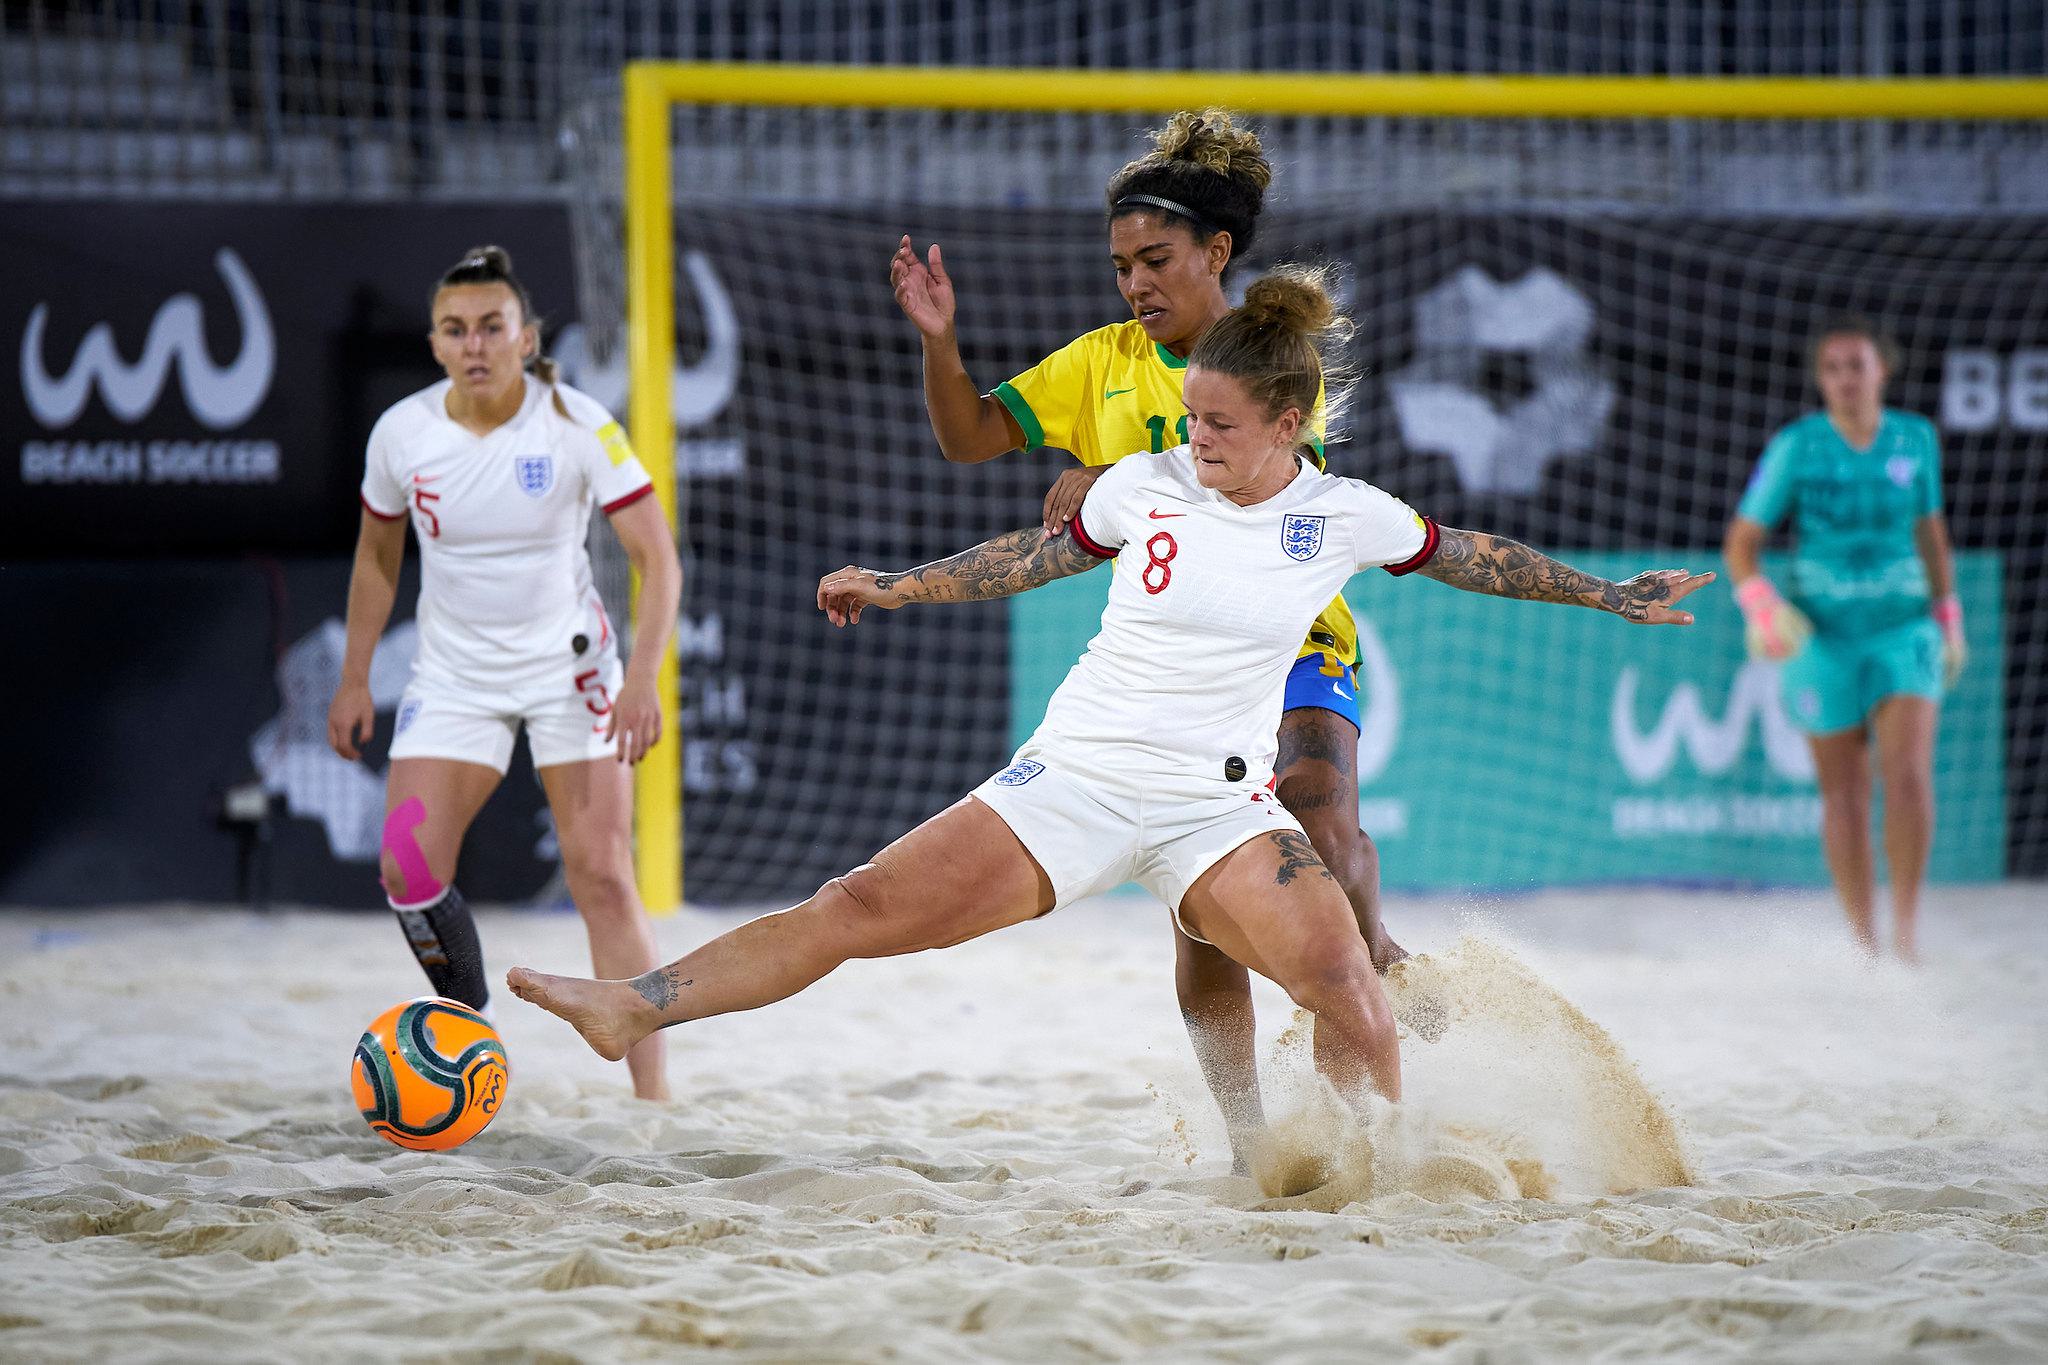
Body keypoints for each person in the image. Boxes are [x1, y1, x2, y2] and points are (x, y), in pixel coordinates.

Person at [509, 269, 1710, 1136]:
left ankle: (1370, 1175)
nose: (1196, 443)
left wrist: (1609, 596)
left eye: (1222, 428)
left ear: (1289, 426)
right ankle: (634, 1008)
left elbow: (1470, 554)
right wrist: (897, 587)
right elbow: (1024, 560)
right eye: (1189, 419)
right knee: (857, 906)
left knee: (1348, 987)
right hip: (1075, 778)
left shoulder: (1339, 513)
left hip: (1215, 809)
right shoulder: (1143, 482)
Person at [889, 109, 1396, 1159]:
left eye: (1154, 260)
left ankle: (1370, 1037)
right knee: (1194, 906)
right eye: (1120, 265)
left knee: (1331, 836)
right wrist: (939, 344)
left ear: (1215, 253)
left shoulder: (1265, 354)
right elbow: (967, 436)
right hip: (1174, 671)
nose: (1133, 284)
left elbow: (1261, 488)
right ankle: (1254, 1134)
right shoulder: (1096, 364)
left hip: (1293, 640)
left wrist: (1109, 479)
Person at [327, 245, 681, 1100]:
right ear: (437, 343)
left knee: (601, 875)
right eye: (456, 329)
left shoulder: (578, 422)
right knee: (407, 872)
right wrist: (354, 675)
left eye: (492, 326)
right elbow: (377, 559)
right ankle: (468, 1029)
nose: (475, 343)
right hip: (453, 676)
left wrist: (641, 679)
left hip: (573, 670)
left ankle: (654, 1096)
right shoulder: (402, 434)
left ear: (525, 338)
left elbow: (658, 560)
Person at [1724, 317, 1964, 964]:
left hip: (1901, 629)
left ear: (1881, 370)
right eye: (1832, 368)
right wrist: (1760, 604)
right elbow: (1742, 544)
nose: (1845, 379)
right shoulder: (1798, 446)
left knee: (1908, 776)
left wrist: (1948, 613)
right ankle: (1866, 943)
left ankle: (1908, 934)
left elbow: (1930, 529)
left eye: (1856, 365)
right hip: (1823, 639)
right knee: (1845, 795)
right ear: (1820, 380)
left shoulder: (1915, 438)